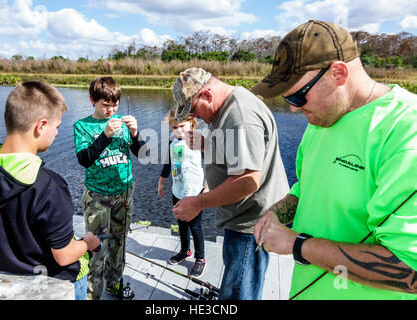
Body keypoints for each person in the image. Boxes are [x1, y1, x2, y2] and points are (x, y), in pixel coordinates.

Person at [252, 20, 417, 300]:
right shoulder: (320, 120)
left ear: (338, 73)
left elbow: (409, 270)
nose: (293, 108)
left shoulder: (405, 130)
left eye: (298, 96)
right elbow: (308, 189)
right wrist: (277, 213)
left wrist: (297, 245)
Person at [0, 81, 100, 300]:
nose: (57, 133)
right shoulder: (50, 186)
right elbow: (65, 256)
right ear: (41, 125)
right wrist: (87, 242)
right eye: (56, 127)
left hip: (7, 277)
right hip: (58, 282)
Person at [171, 67, 290, 300]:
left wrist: (198, 203)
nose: (193, 117)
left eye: (193, 109)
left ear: (206, 94)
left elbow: (247, 180)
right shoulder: (228, 106)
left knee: (238, 294)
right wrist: (208, 145)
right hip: (242, 216)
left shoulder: (239, 116)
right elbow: (240, 153)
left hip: (251, 223)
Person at [73, 76, 145, 300]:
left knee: (119, 242)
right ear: (92, 100)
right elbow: (85, 159)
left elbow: (144, 155)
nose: (110, 110)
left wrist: (135, 134)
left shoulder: (123, 125)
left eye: (114, 104)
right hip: (97, 196)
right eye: (105, 104)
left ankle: (115, 283)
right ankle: (92, 294)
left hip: (124, 193)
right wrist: (104, 136)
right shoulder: (82, 126)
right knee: (96, 246)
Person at [158, 109, 207, 278]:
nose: (178, 130)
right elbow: (168, 165)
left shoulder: (199, 141)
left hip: (195, 193)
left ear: (192, 123)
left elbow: (211, 164)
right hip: (177, 192)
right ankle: (185, 251)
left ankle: (200, 258)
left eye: (182, 126)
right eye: (174, 127)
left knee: (195, 227)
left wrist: (207, 187)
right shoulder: (173, 144)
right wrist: (161, 182)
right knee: (182, 226)